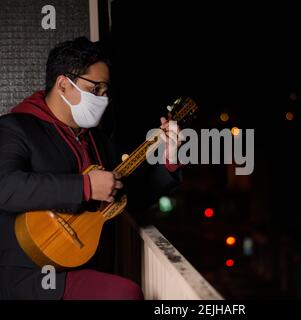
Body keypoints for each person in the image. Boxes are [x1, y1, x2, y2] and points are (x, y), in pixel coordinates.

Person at [0, 37, 181, 300]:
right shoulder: (15, 128)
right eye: (95, 89)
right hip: (29, 274)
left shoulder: (96, 140)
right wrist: (85, 187)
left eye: (106, 91)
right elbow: (5, 186)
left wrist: (170, 160)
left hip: (85, 265)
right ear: (63, 84)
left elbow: (131, 197)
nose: (103, 99)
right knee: (125, 293)